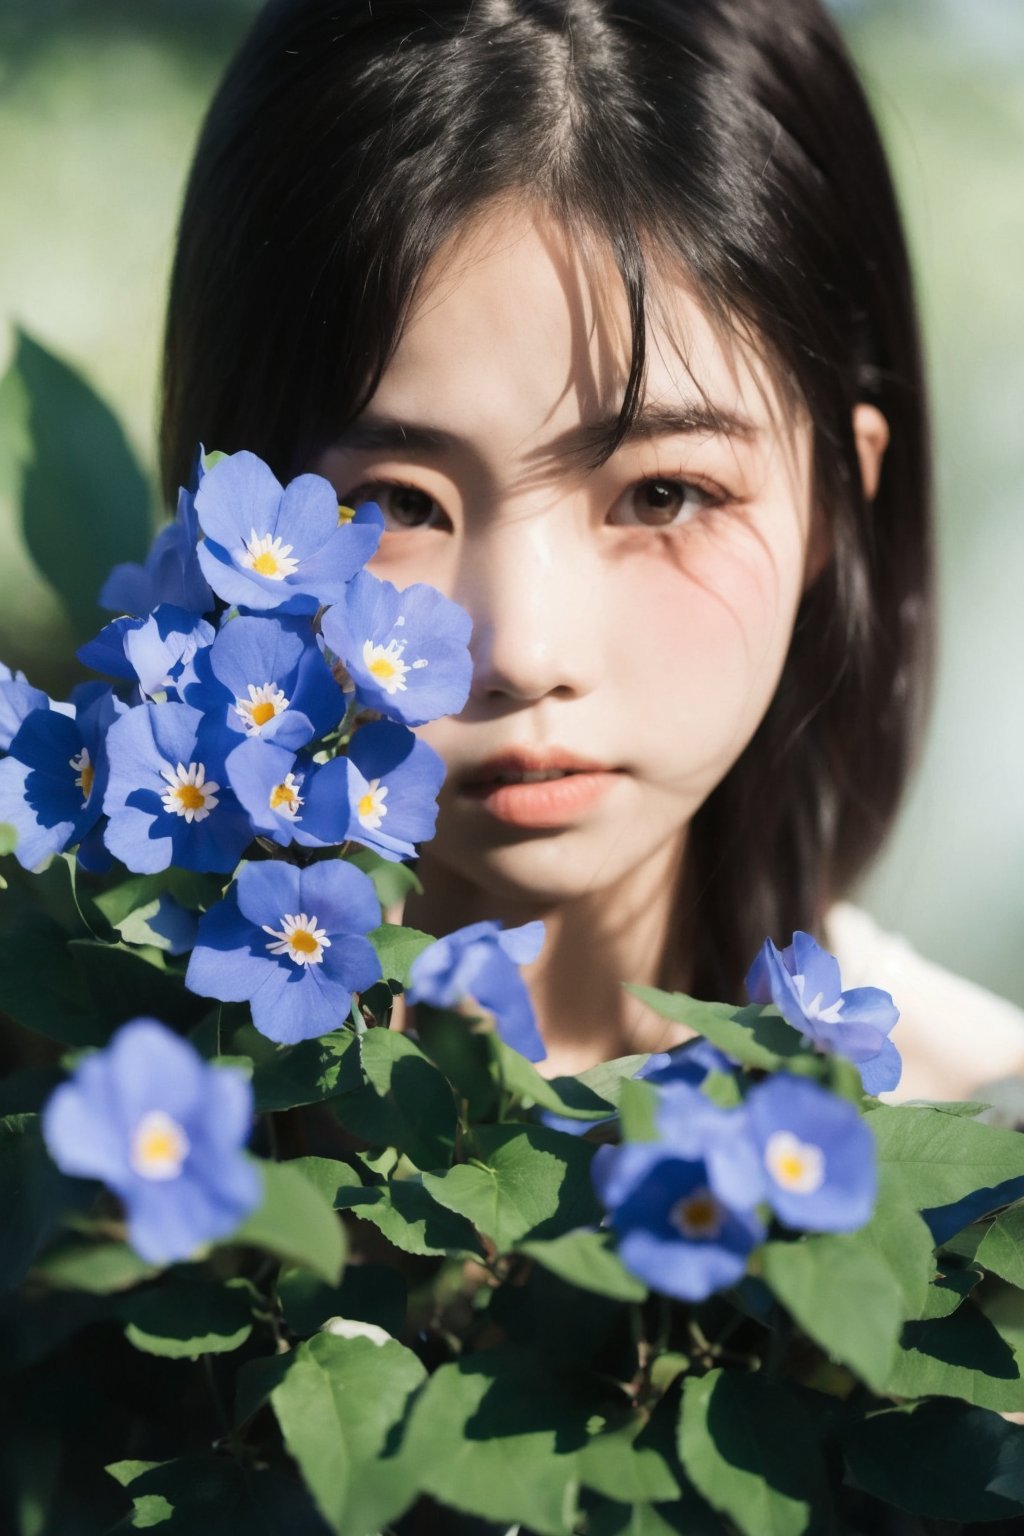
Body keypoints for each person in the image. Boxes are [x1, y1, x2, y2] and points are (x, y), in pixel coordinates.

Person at [159, 0, 1024, 1102]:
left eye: (663, 493)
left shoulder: (987, 1162)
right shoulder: (61, 1115)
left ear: (837, 505)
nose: (522, 650)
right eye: (395, 504)